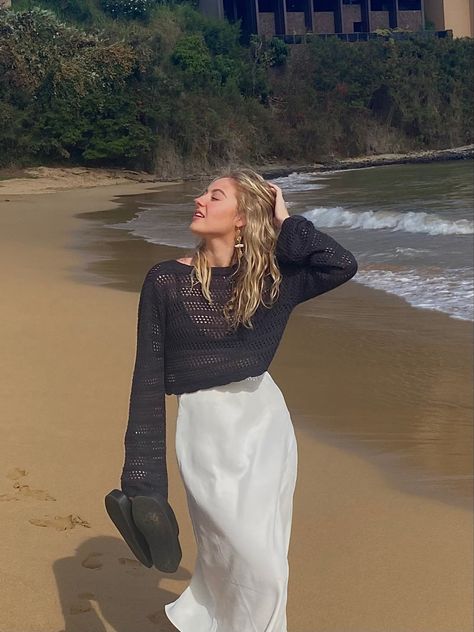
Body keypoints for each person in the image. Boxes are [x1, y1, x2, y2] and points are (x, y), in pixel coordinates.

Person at [119, 168, 358, 631]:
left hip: (263, 425)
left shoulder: (274, 281)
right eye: (203, 193)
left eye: (215, 195)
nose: (200, 200)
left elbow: (339, 263)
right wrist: (143, 478)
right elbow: (146, 380)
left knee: (265, 565)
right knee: (232, 557)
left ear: (243, 218)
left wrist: (286, 221)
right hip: (206, 431)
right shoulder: (165, 281)